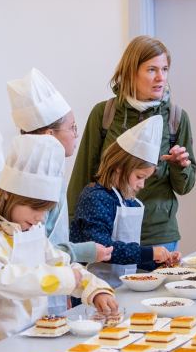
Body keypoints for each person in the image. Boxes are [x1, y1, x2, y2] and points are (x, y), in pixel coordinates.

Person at [0, 135, 117, 350]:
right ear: (8, 195)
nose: (41, 218)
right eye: (36, 209)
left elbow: (60, 262)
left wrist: (94, 289)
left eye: (46, 211)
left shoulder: (32, 229)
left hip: (38, 330)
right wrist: (65, 279)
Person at [66, 36, 195, 259]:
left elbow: (185, 187)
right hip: (108, 230)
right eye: (152, 69)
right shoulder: (104, 114)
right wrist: (71, 234)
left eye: (165, 69)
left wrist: (180, 167)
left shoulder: (176, 118)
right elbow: (83, 175)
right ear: (131, 72)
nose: (160, 78)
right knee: (109, 293)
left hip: (158, 233)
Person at [6, 68, 113, 315]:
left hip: (56, 279)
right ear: (49, 135)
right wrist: (83, 253)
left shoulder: (53, 179)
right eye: (72, 128)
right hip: (26, 298)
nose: (76, 135)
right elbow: (35, 252)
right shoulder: (32, 191)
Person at [71, 116, 182, 287]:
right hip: (90, 289)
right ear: (119, 167)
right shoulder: (95, 198)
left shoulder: (128, 201)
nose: (142, 185)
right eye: (139, 177)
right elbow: (103, 250)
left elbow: (129, 258)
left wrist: (158, 262)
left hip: (120, 289)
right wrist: (149, 252)